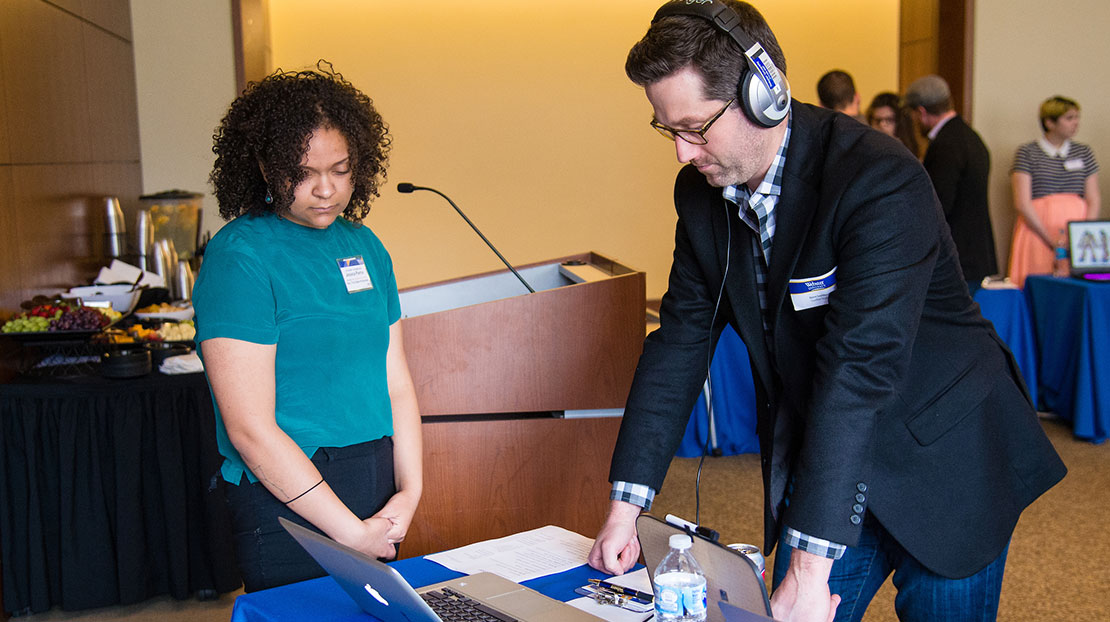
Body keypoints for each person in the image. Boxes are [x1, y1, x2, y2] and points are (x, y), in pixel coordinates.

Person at [587, 3, 1066, 621]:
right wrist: (625, 510)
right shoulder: (701, 195)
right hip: (828, 461)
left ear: (765, 96)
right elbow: (678, 343)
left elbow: (859, 369)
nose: (682, 153)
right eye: (666, 130)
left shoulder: (878, 179)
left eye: (696, 128)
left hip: (945, 456)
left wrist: (810, 572)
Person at [193, 62, 422, 592]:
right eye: (303, 172)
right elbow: (250, 429)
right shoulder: (240, 257)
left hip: (376, 479)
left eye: (340, 169)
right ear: (264, 165)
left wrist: (409, 493)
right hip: (289, 496)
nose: (325, 190)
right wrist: (348, 532)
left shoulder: (364, 244)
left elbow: (397, 385)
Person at [905, 75, 997, 294]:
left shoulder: (945, 145)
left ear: (921, 112)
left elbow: (938, 204)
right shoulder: (971, 137)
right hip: (977, 252)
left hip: (957, 256)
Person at [1006, 95, 1101, 286]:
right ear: (1050, 122)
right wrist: (1051, 239)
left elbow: (1094, 197)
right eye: (1069, 118)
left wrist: (1082, 235)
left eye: (1077, 117)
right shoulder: (1027, 152)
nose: (1076, 123)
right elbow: (1022, 202)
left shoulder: (1083, 152)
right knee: (1039, 281)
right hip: (1038, 229)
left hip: (1076, 229)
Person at [866, 91, 919, 156]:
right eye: (878, 120)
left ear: (900, 123)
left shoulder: (907, 153)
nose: (882, 125)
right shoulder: (865, 150)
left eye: (889, 120)